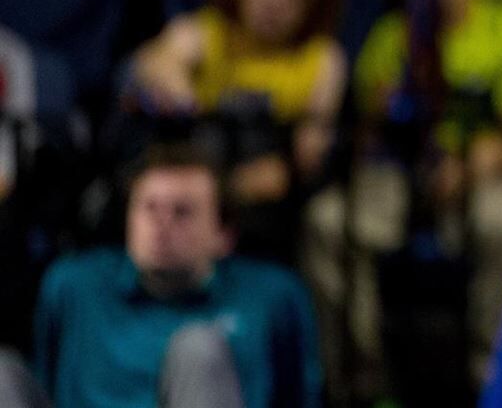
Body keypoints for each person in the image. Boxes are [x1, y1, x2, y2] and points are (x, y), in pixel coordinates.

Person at [301, 0, 502, 398]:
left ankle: (494, 375)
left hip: (485, 178)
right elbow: (372, 137)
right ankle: (360, 379)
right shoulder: (388, 37)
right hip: (401, 178)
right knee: (329, 223)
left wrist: (463, 169)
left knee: (499, 223)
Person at [17, 143, 319, 408]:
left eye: (182, 212)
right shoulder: (74, 285)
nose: (161, 225)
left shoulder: (273, 294)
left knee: (196, 348)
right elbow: (46, 383)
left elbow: (300, 398)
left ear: (224, 234)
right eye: (149, 208)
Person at [127, 0, 348, 258]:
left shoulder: (322, 60)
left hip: (274, 200)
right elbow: (152, 62)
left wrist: (285, 169)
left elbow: (311, 151)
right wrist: (182, 91)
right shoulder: (208, 32)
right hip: (199, 178)